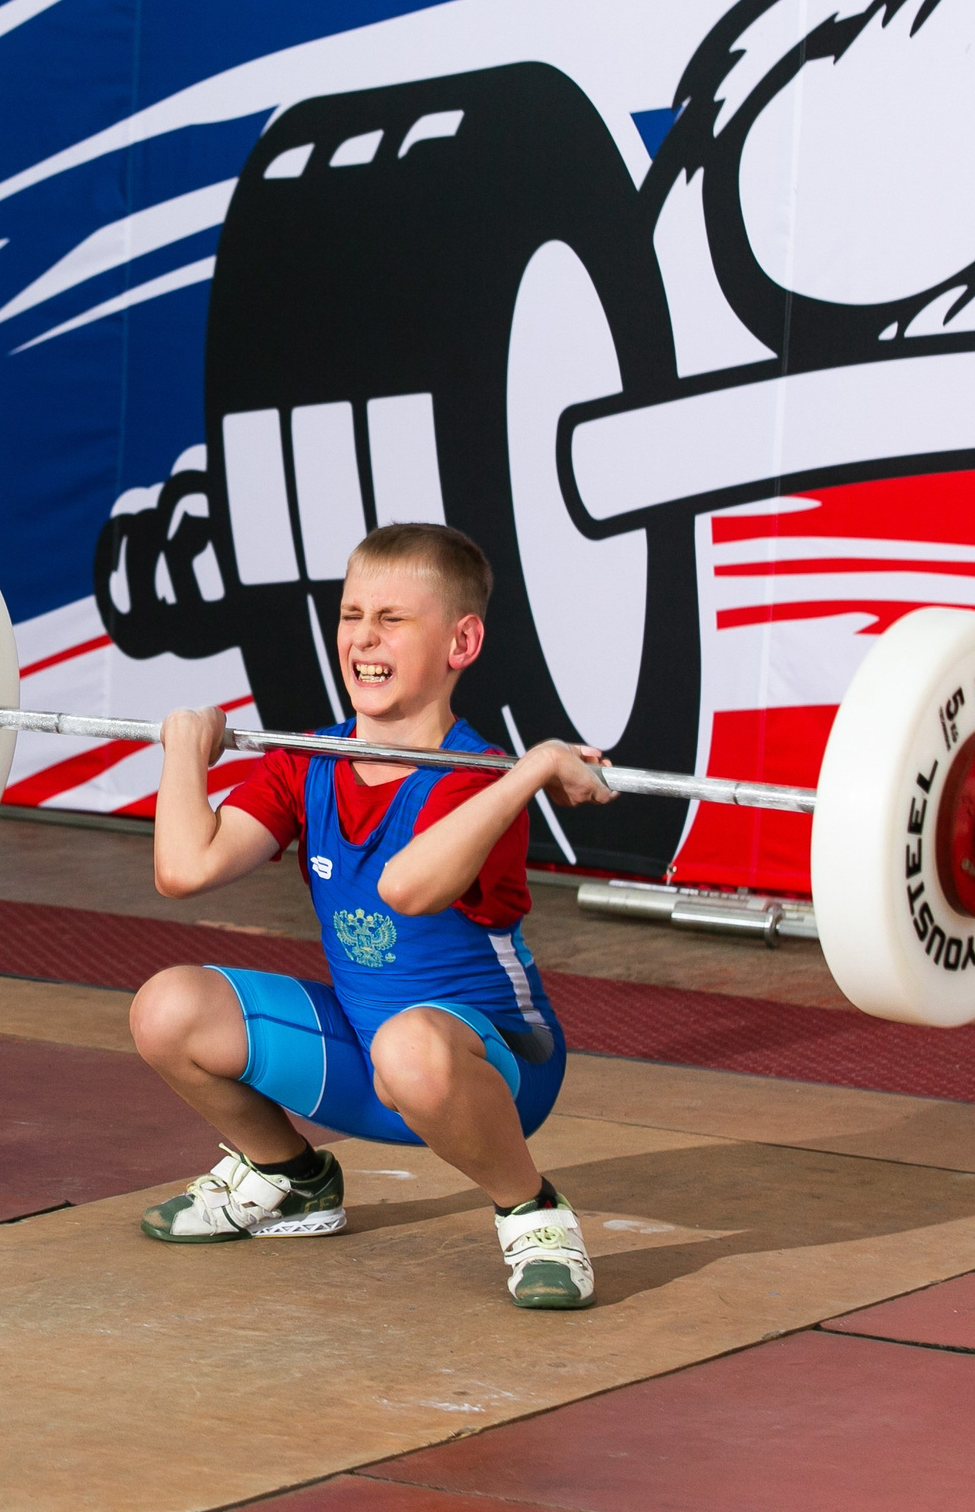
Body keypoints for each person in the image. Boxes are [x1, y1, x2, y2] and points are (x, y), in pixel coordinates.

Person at [128, 521, 613, 1308]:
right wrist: (185, 752)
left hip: (495, 1073)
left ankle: (533, 1211)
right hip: (364, 1059)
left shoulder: (478, 778)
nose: (363, 637)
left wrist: (524, 773)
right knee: (167, 1008)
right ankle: (290, 1176)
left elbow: (406, 888)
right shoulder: (308, 759)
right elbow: (186, 869)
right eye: (353, 615)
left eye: (393, 618)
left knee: (410, 1044)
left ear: (462, 641)